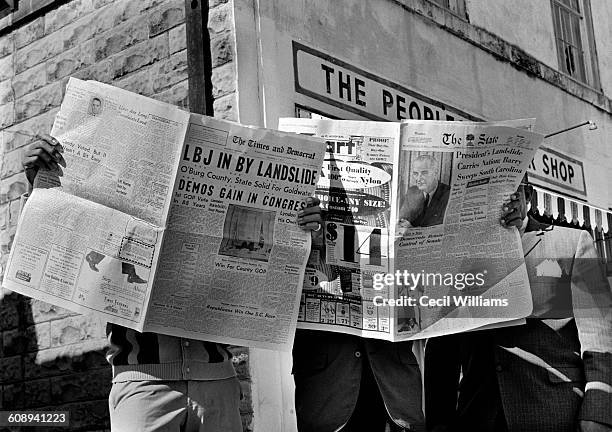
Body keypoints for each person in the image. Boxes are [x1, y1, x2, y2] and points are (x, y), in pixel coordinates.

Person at [23, 134, 324, 432]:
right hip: (142, 385)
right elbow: (59, 248)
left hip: (218, 384)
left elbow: (277, 279)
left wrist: (301, 232)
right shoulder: (112, 207)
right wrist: (40, 185)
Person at [424, 178, 612, 432]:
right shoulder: (457, 255)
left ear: (528, 195)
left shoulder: (573, 241)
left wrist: (598, 411)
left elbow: (599, 335)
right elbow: (443, 345)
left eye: (508, 190)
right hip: (477, 415)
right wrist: (439, 421)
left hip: (556, 410)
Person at [398, 155, 450, 229]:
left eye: (424, 173)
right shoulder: (412, 191)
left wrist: (413, 229)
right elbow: (402, 219)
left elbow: (442, 228)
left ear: (435, 173)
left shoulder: (448, 194)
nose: (419, 179)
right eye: (415, 174)